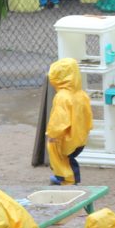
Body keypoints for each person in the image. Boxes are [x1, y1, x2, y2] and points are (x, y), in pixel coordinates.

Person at [46, 57, 92, 186]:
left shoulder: (62, 97)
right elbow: (88, 116)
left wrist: (52, 135)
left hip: (66, 138)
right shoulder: (81, 94)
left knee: (61, 157)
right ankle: (68, 179)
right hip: (79, 137)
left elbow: (59, 120)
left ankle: (67, 181)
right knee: (69, 159)